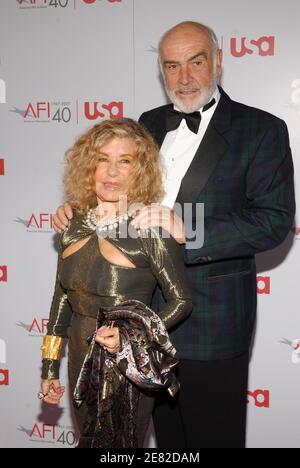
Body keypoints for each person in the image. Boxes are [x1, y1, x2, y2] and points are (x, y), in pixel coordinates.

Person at [53, 22, 296, 448]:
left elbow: (273, 220)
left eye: (196, 62)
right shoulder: (147, 123)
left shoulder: (260, 129)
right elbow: (118, 190)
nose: (184, 78)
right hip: (138, 322)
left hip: (210, 324)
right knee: (164, 443)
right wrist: (81, 210)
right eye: (172, 65)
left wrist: (191, 227)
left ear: (218, 62)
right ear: (161, 71)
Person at [39, 118, 192, 448]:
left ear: (140, 170)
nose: (111, 172)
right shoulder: (72, 225)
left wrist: (130, 335)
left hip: (126, 360)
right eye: (102, 160)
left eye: (124, 161)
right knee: (89, 441)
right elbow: (61, 302)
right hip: (79, 355)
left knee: (122, 445)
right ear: (88, 165)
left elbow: (181, 301)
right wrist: (49, 367)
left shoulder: (150, 228)